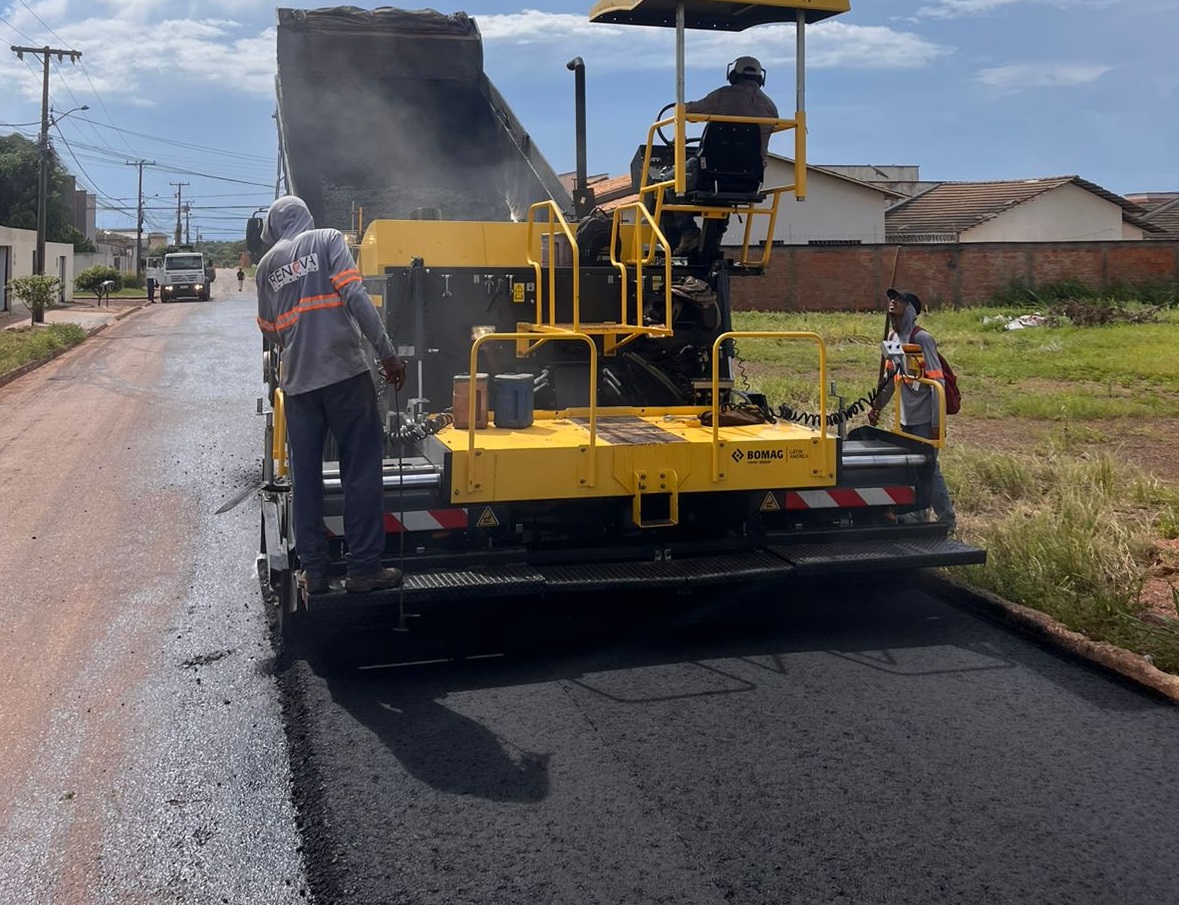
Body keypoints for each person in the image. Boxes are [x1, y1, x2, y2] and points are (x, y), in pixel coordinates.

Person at [256, 195, 408, 595]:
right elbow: (356, 297)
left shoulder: (266, 266)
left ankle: (315, 574)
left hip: (299, 387)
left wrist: (298, 340)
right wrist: (387, 353)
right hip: (344, 376)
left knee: (306, 480)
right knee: (360, 472)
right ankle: (363, 570)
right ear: (306, 216)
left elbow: (268, 328)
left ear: (273, 226)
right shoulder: (326, 239)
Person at [668, 56, 779, 256]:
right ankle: (715, 236)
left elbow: (690, 111)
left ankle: (689, 233)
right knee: (725, 191)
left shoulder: (723, 96)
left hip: (710, 170)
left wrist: (681, 108)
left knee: (669, 181)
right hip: (751, 176)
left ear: (733, 74)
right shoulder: (770, 107)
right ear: (761, 77)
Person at [867, 288, 957, 531]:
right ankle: (917, 518)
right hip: (905, 417)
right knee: (911, 467)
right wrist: (877, 406)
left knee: (929, 468)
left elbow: (937, 381)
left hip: (925, 418)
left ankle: (946, 518)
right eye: (892, 298)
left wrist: (937, 422)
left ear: (911, 309)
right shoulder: (894, 340)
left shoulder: (922, 338)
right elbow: (890, 380)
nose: (893, 302)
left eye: (900, 300)